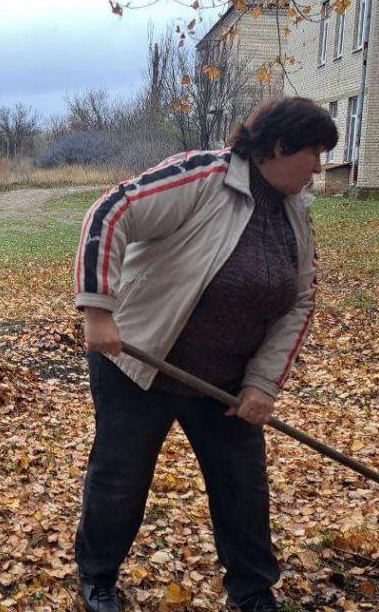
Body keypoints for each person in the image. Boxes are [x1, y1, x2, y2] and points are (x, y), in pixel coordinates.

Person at [73, 97, 339, 612]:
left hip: (226, 384)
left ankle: (252, 590)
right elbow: (111, 211)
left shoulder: (295, 213)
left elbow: (301, 298)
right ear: (281, 145)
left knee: (243, 487)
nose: (319, 167)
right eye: (316, 152)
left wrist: (262, 383)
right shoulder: (203, 176)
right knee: (120, 478)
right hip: (141, 364)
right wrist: (98, 309)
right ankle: (98, 575)